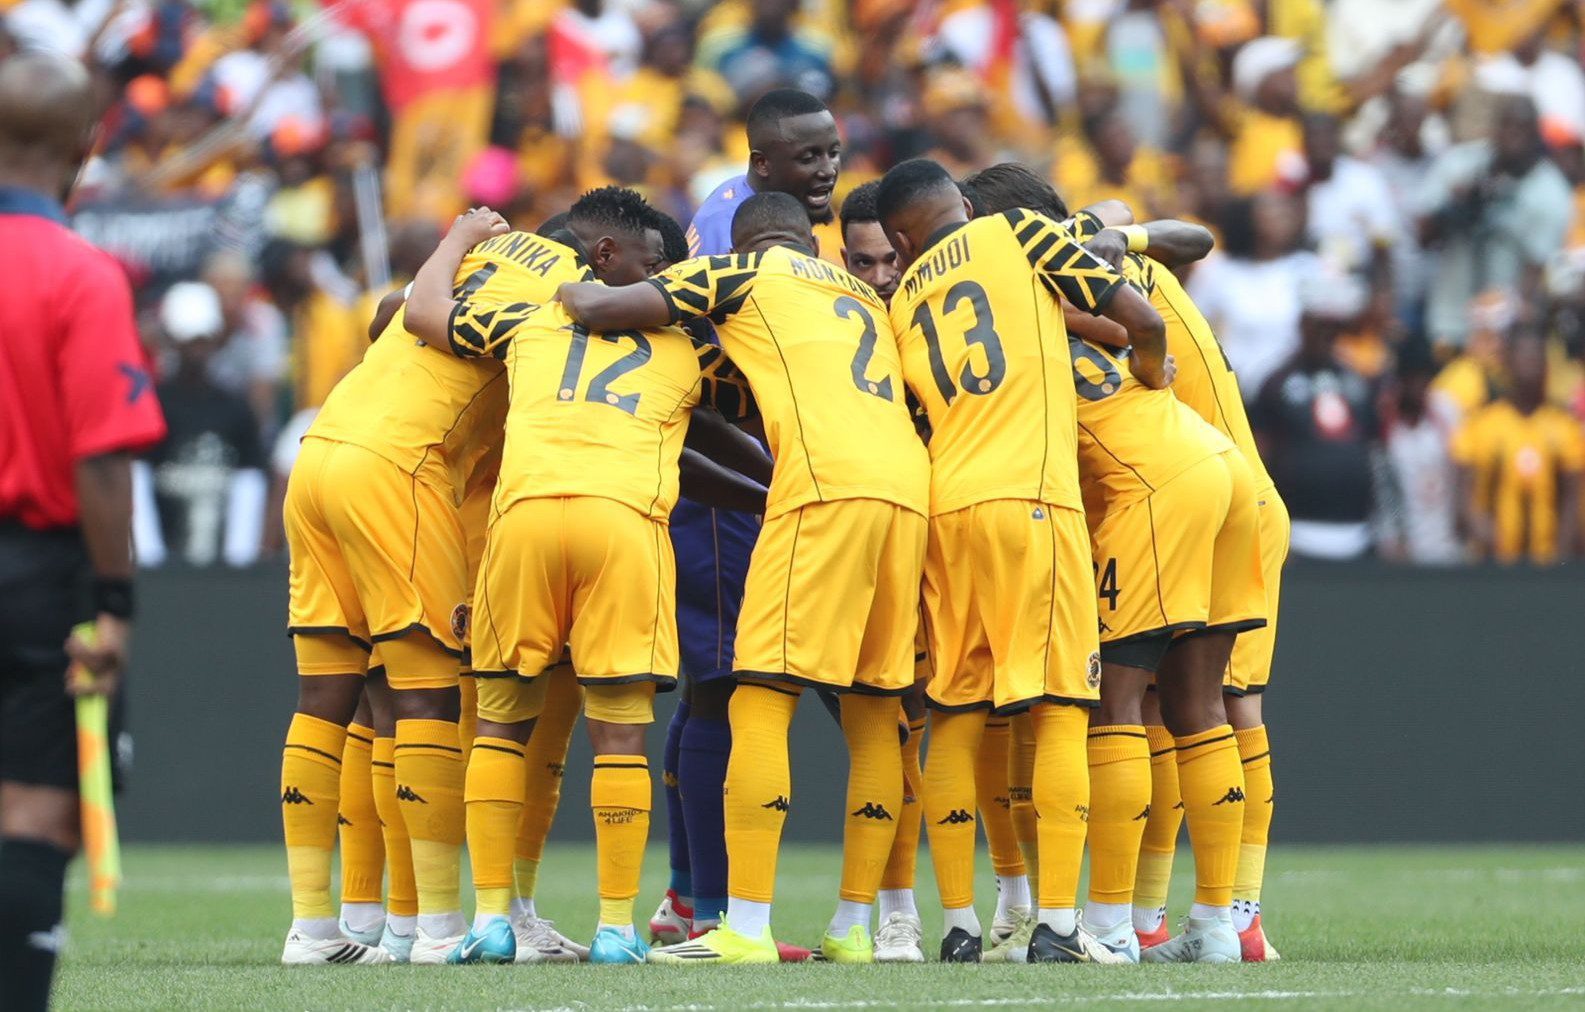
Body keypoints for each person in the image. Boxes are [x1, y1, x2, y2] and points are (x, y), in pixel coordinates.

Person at [560, 191, 932, 965]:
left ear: (746, 240)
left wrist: (560, 284)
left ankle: (746, 929)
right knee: (872, 709)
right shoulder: (862, 294)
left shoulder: (742, 273)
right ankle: (858, 929)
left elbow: (603, 309)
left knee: (756, 693)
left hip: (824, 488)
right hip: (908, 494)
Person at [404, 199, 758, 966]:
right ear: (613, 258)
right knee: (620, 734)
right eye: (658, 265)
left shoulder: (530, 322)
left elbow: (421, 313)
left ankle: (491, 919)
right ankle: (613, 928)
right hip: (623, 525)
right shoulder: (686, 345)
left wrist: (457, 241)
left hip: (525, 518)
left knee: (499, 723)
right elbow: (742, 416)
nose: (664, 278)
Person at [874, 158, 1166, 964]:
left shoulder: (899, 302)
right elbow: (1138, 318)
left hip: (947, 512)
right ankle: (1062, 929)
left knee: (959, 714)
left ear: (900, 239)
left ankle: (962, 924)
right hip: (1031, 501)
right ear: (962, 205)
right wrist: (1150, 371)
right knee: (1062, 706)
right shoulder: (1019, 230)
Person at [655, 87, 840, 956]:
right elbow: (706, 362)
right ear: (762, 162)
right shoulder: (740, 224)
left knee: (710, 689)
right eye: (809, 158)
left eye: (832, 152)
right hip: (728, 479)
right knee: (725, 685)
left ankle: (689, 896)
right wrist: (771, 468)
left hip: (733, 475)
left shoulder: (748, 212)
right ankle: (717, 912)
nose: (827, 170)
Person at [0, 52, 167, 1011]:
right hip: (34, 571)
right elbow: (101, 459)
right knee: (32, 810)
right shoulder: (81, 274)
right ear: (88, 144)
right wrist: (115, 606)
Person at [837, 179, 927, 965]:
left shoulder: (939, 310)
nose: (880, 278)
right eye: (863, 262)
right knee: (883, 722)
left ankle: (1019, 904)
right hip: (865, 532)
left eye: (890, 259)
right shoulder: (827, 324)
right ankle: (893, 911)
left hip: (948, 533)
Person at [133, 282, 267, 569]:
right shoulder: (154, 405)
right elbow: (138, 480)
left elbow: (250, 481)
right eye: (189, 341)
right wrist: (149, 558)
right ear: (171, 341)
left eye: (203, 341)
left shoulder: (235, 406)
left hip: (223, 566)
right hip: (165, 562)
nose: (197, 351)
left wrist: (239, 558)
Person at [1252, 275, 1381, 562]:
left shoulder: (1357, 380)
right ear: (1303, 325)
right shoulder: (1274, 382)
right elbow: (1258, 458)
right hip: (1297, 535)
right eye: (1320, 326)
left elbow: (1374, 451)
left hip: (1357, 533)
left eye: (1334, 328)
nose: (1327, 335)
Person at [1452, 331, 1584, 564]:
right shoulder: (1480, 425)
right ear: (1508, 363)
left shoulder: (1565, 427)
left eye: (1537, 358)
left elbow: (1573, 499)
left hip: (1549, 572)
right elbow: (1463, 499)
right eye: (1524, 356)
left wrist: (1560, 560)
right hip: (1492, 571)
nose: (1531, 364)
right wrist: (1486, 533)